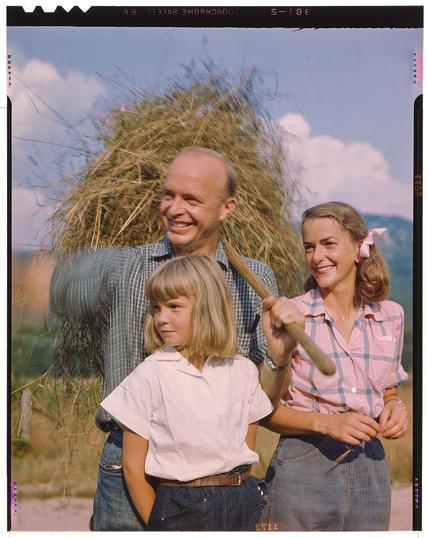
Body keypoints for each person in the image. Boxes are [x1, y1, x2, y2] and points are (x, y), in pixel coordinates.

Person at [49, 147, 293, 531]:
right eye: (169, 195)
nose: (174, 208)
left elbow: (261, 400)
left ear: (226, 208)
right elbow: (55, 282)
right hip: (131, 464)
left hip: (217, 478)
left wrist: (279, 357)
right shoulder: (127, 267)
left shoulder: (253, 284)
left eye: (191, 199)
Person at [259, 201, 408, 532]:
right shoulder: (291, 318)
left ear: (358, 247)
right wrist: (328, 424)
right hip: (303, 462)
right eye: (309, 246)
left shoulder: (392, 316)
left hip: (371, 466)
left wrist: (394, 405)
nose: (316, 257)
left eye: (328, 244)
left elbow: (389, 389)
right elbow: (265, 412)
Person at [100, 255, 276, 531]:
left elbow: (246, 449)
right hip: (180, 505)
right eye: (156, 308)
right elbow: (133, 469)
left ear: (208, 308)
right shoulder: (150, 373)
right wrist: (161, 524)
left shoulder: (242, 370)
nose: (161, 318)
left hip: (241, 500)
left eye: (174, 307)